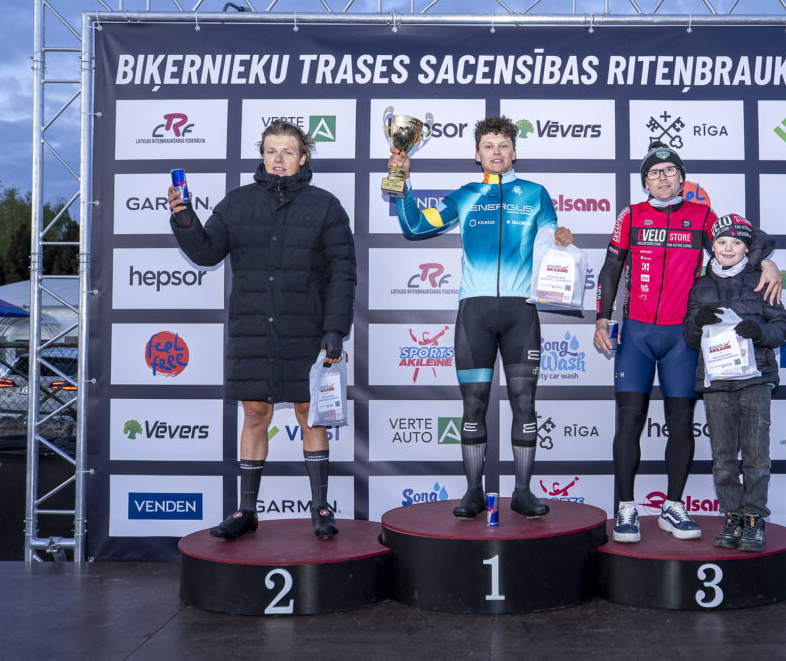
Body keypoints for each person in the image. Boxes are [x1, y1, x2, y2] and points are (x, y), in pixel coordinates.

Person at [168, 119, 356, 540]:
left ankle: (321, 507)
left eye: (287, 151)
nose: (278, 159)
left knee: (311, 415)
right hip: (252, 330)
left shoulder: (326, 206)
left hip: (306, 328)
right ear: (262, 156)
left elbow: (343, 273)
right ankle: (246, 511)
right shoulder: (237, 202)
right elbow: (206, 252)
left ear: (302, 158)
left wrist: (335, 329)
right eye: (271, 151)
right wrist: (184, 217)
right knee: (255, 414)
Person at [594, 141, 782, 544]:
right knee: (629, 421)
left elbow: (743, 240)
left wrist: (767, 261)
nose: (663, 178)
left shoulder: (702, 215)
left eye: (670, 171)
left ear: (682, 177)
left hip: (682, 337)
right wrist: (601, 317)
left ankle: (673, 506)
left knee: (681, 424)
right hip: (637, 334)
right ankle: (625, 507)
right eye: (654, 173)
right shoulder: (632, 215)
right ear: (645, 182)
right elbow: (611, 267)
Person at [388, 114, 574, 519]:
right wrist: (402, 182)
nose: (496, 152)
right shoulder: (466, 195)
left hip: (521, 312)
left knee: (525, 403)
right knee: (473, 404)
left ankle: (522, 491)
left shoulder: (536, 194)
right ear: (477, 154)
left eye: (503, 145)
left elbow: (551, 246)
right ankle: (473, 491)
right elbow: (415, 226)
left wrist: (563, 240)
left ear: (514, 152)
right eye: (488, 146)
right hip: (475, 311)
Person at [683, 214, 786, 552]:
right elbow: (690, 338)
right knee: (723, 459)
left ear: (746, 248)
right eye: (721, 242)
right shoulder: (700, 285)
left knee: (757, 457)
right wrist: (698, 323)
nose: (728, 248)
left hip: (755, 380)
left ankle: (755, 520)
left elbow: (782, 326)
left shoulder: (762, 279)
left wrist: (760, 332)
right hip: (717, 382)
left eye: (736, 242)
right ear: (712, 247)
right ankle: (733, 517)